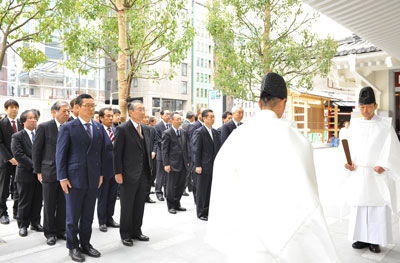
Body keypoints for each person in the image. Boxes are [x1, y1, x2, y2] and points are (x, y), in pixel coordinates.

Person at [206, 72, 338, 263]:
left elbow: (223, 179)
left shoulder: (238, 136)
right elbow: (308, 191)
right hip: (284, 229)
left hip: (247, 231)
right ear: (284, 102)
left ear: (260, 104)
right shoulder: (296, 138)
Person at [344, 86, 400, 253]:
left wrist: (385, 164)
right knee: (360, 206)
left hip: (377, 174)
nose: (365, 110)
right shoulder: (354, 126)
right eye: (361, 106)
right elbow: (348, 148)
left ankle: (375, 240)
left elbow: (393, 148)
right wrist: (348, 163)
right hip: (359, 172)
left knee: (377, 207)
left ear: (375, 106)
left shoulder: (385, 126)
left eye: (368, 106)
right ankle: (361, 237)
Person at [56, 94, 106, 262]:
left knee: (88, 215)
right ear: (77, 107)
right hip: (73, 178)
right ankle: (73, 246)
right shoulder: (68, 127)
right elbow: (60, 155)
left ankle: (86, 243)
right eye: (87, 105)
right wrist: (62, 177)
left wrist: (100, 174)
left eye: (93, 105)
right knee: (72, 216)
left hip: (92, 178)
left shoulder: (98, 128)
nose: (91, 108)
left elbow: (101, 154)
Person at [113, 101, 152, 247]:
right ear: (130, 112)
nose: (143, 112)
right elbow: (117, 153)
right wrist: (118, 172)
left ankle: (137, 230)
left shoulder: (146, 129)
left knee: (139, 204)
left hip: (143, 173)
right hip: (128, 173)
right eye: (139, 109)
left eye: (143, 109)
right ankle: (126, 233)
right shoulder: (123, 129)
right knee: (127, 205)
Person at [32, 101, 70, 245]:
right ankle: (49, 232)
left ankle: (61, 230)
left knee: (63, 203)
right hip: (49, 171)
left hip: (66, 173)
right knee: (49, 203)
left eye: (68, 111)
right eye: (64, 111)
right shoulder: (44, 127)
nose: (67, 113)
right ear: (54, 112)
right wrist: (38, 171)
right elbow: (36, 151)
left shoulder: (71, 126)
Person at [11, 110, 43, 237]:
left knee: (38, 199)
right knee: (25, 200)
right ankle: (23, 225)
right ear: (23, 121)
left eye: (35, 118)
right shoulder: (17, 136)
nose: (34, 120)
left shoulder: (41, 134)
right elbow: (18, 155)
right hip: (25, 173)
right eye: (30, 118)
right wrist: (36, 166)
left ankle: (35, 222)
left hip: (40, 174)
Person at [193, 109, 221, 221]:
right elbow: (196, 150)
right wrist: (198, 165)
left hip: (213, 166)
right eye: (210, 117)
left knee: (210, 189)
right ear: (204, 118)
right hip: (203, 166)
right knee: (202, 190)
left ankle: (209, 210)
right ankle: (201, 212)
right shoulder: (199, 132)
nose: (213, 119)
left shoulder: (215, 132)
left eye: (214, 116)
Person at [161, 112, 190, 214]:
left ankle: (177, 203)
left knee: (180, 185)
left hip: (183, 163)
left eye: (180, 119)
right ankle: (171, 206)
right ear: (171, 121)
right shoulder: (167, 133)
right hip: (172, 164)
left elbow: (186, 147)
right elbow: (164, 150)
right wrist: (166, 164)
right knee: (171, 186)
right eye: (177, 119)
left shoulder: (183, 132)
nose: (180, 120)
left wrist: (187, 161)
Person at [97, 107, 120, 233]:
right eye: (108, 116)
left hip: (115, 170)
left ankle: (110, 218)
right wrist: (99, 172)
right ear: (101, 118)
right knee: (103, 196)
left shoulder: (116, 130)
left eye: (112, 116)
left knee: (112, 196)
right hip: (103, 171)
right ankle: (102, 221)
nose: (111, 118)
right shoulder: (97, 131)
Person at [0, 99, 22, 224]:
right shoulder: (1, 123)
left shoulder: (20, 123)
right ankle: (3, 213)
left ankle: (17, 211)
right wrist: (9, 158)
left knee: (18, 187)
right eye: (11, 107)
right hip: (5, 161)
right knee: (3, 189)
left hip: (20, 161)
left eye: (16, 107)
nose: (14, 109)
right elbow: (0, 143)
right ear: (6, 109)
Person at [153, 109, 171, 201]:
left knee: (168, 175)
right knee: (160, 174)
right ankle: (158, 192)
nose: (168, 116)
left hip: (170, 155)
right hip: (161, 153)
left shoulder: (171, 125)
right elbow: (158, 140)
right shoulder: (157, 126)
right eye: (166, 114)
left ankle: (167, 192)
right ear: (161, 115)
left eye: (169, 114)